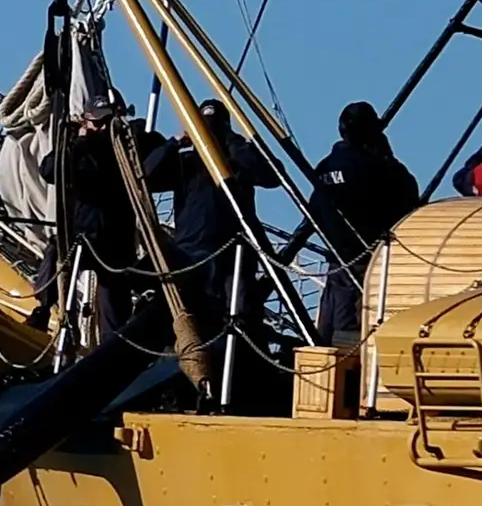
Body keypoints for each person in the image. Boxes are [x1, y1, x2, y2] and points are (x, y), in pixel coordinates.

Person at [147, 98, 287, 380]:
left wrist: (230, 140)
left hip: (234, 252)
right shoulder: (185, 162)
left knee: (240, 317)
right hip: (191, 253)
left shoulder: (238, 162)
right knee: (190, 319)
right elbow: (146, 175)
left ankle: (241, 377)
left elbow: (273, 175)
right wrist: (177, 141)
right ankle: (190, 376)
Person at [305, 101, 422, 343]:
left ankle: (325, 367)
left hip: (335, 255)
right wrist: (387, 156)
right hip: (364, 256)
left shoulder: (325, 166)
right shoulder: (375, 166)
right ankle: (350, 372)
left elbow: (314, 207)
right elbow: (408, 195)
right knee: (351, 322)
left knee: (328, 319)